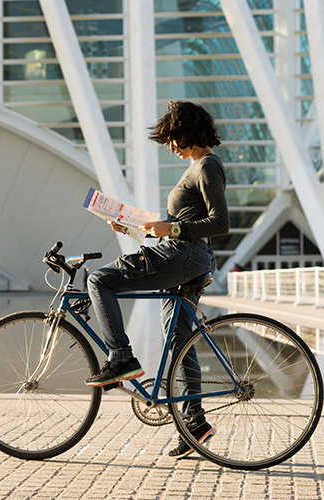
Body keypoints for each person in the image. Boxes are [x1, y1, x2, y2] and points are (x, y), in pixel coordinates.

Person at [85, 101, 229, 459]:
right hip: (186, 256)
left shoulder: (207, 166)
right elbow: (172, 228)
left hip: (184, 255)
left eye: (173, 139)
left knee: (100, 281)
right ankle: (195, 421)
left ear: (188, 133)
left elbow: (220, 222)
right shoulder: (197, 167)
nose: (171, 147)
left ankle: (121, 357)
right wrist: (134, 227)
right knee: (180, 338)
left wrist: (173, 227)